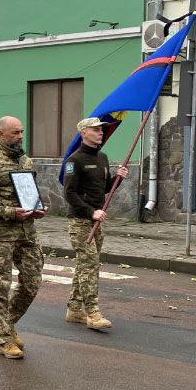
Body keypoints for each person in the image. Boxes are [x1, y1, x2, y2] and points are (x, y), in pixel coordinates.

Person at [0, 115, 47, 360]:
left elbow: (31, 192)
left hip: (27, 231)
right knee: (0, 286)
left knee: (32, 282)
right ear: (1, 134)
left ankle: (6, 323)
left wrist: (39, 207)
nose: (20, 136)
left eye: (22, 132)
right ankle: (4, 338)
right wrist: (8, 212)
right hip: (1, 234)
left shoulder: (26, 161)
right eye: (15, 132)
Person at [62, 117, 129, 331]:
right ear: (84, 133)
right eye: (96, 130)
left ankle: (74, 309)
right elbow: (69, 193)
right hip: (81, 221)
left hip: (97, 222)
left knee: (85, 265)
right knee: (90, 266)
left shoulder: (103, 157)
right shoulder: (75, 160)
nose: (101, 132)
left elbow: (103, 189)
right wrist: (92, 212)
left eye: (101, 129)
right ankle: (92, 312)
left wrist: (118, 179)